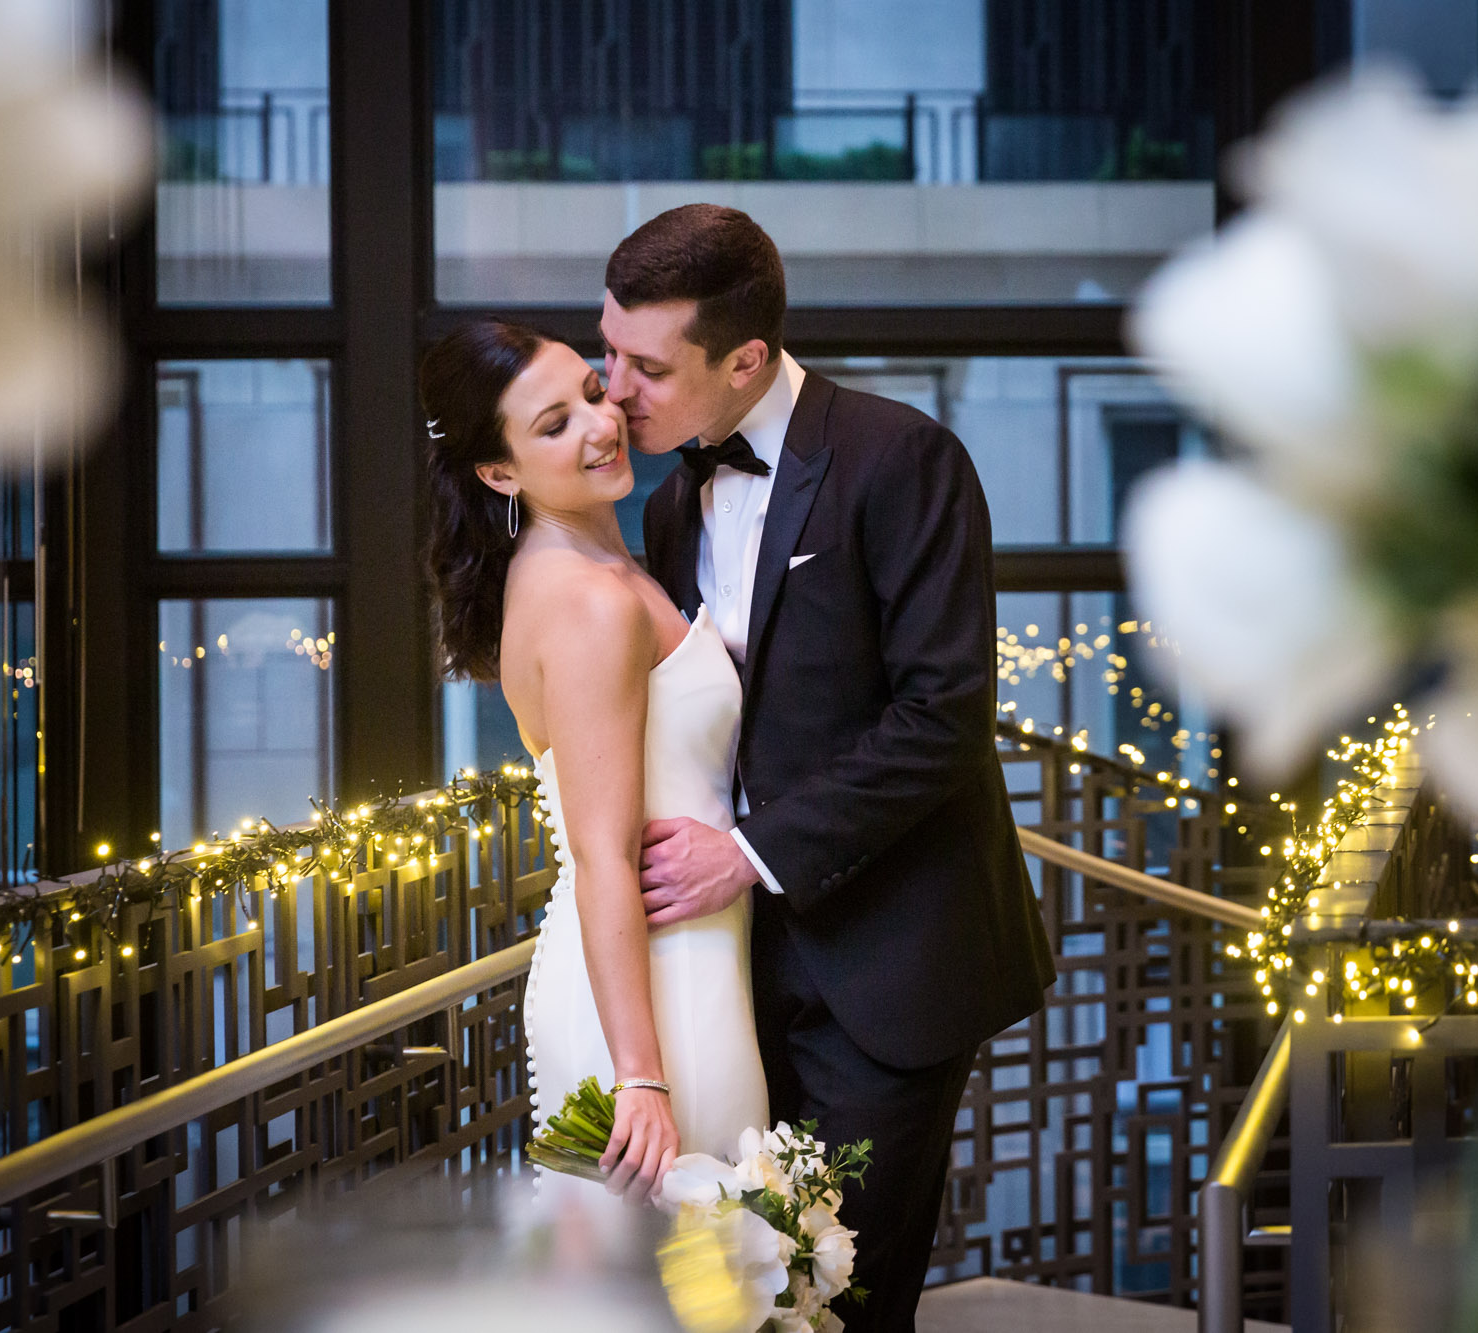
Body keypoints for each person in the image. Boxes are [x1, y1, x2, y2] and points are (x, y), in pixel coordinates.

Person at [603, 204, 1057, 1333]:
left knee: (837, 1291)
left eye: (646, 365)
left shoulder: (903, 457)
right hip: (730, 973)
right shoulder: (666, 504)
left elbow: (943, 714)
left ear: (745, 357)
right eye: (606, 349)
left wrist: (750, 854)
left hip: (889, 962)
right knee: (722, 1288)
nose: (615, 389)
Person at [419, 320, 768, 1220]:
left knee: (717, 1285)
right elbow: (603, 853)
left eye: (589, 389)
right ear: (499, 473)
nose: (599, 422)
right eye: (553, 424)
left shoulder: (606, 562)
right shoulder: (585, 603)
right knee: (697, 1276)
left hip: (688, 955)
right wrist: (640, 1074)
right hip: (657, 984)